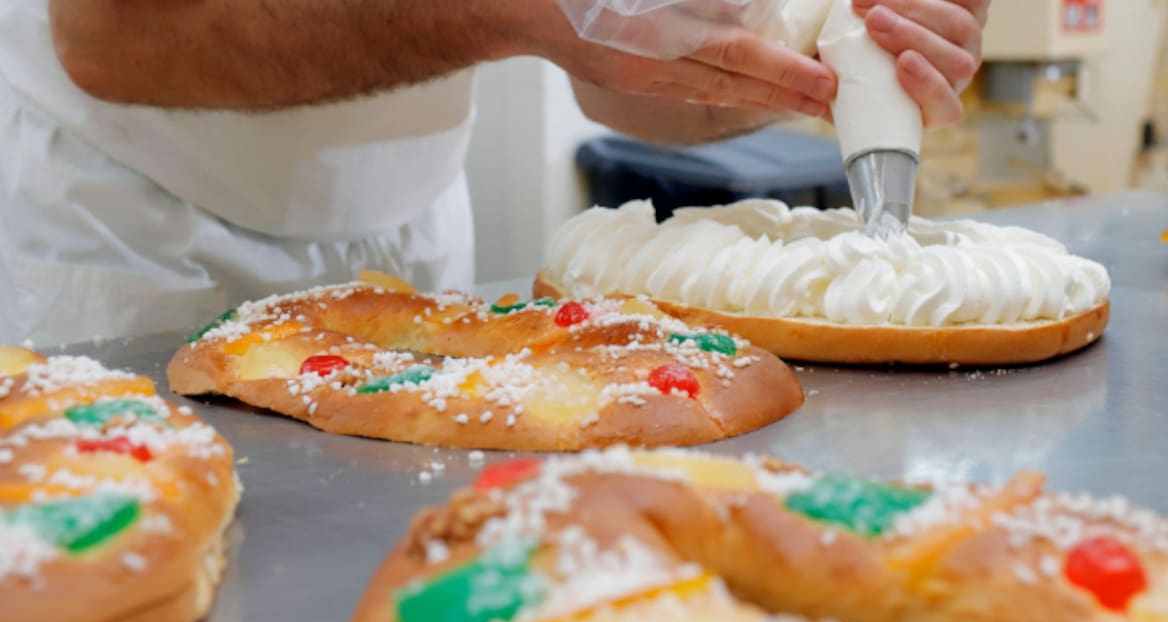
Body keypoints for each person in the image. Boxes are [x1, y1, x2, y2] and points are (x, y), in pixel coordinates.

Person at [0, 0, 988, 345]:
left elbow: (618, 79)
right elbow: (117, 37)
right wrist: (511, 9)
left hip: (416, 250)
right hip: (127, 232)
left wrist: (807, 60)